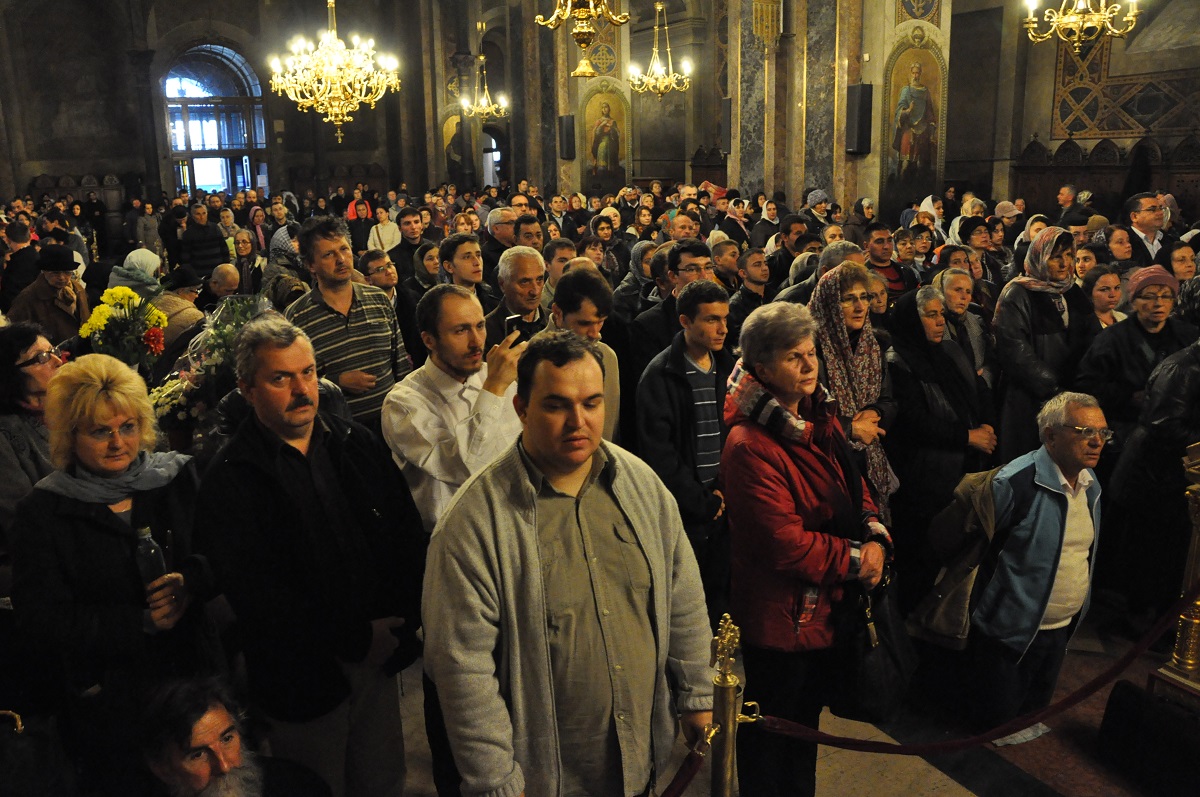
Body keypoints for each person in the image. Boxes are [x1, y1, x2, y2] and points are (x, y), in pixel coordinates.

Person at [422, 330, 714, 797]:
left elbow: (682, 596)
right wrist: (494, 778)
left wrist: (698, 693)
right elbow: (462, 668)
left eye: (593, 403)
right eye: (557, 405)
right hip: (544, 777)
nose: (579, 421)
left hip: (643, 761)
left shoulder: (641, 486)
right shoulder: (473, 523)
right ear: (520, 408)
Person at [195, 315, 425, 797]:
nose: (302, 389)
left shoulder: (353, 442)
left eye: (308, 373)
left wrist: (399, 622)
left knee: (382, 780)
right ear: (247, 388)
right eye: (280, 378)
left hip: (378, 655)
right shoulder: (231, 478)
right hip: (301, 675)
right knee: (318, 785)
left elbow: (402, 535)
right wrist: (353, 636)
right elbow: (258, 595)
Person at [11, 354, 220, 791]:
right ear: (69, 435)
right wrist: (135, 623)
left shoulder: (175, 479)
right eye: (100, 432)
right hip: (112, 705)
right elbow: (39, 619)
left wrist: (191, 581)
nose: (117, 443)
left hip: (195, 682)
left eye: (126, 427)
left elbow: (221, 557)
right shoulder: (45, 511)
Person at [721, 302, 892, 797]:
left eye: (811, 352)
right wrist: (860, 561)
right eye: (794, 356)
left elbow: (853, 485)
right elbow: (785, 545)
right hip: (783, 621)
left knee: (804, 738)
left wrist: (876, 531)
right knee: (774, 737)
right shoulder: (749, 444)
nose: (809, 364)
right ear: (762, 367)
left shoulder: (820, 414)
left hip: (822, 611)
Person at [930, 392, 1104, 738]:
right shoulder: (1014, 482)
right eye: (1084, 430)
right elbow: (958, 541)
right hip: (1008, 630)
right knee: (991, 727)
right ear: (1051, 435)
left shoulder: (1090, 483)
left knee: (1029, 718)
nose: (1097, 441)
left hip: (1060, 627)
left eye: (1103, 432)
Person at [381, 284, 525, 535]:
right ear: (429, 340)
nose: (476, 342)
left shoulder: (496, 377)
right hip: (454, 538)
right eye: (461, 330)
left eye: (480, 326)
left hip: (513, 523)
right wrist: (494, 387)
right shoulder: (403, 403)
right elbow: (465, 467)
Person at [886, 287, 995, 611]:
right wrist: (967, 436)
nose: (938, 322)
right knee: (923, 552)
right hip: (924, 478)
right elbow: (913, 421)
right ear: (911, 319)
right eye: (929, 315)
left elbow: (978, 390)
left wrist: (986, 425)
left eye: (940, 315)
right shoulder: (898, 361)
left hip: (958, 468)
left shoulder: (948, 352)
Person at [637, 279, 734, 623]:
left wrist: (726, 491)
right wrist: (703, 502)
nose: (723, 328)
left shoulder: (728, 368)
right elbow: (660, 455)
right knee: (686, 608)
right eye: (711, 320)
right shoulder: (661, 375)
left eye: (725, 318)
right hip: (687, 511)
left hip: (725, 501)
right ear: (685, 321)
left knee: (721, 598)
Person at [284, 216, 411, 431]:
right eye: (329, 254)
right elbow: (293, 383)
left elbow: (399, 363)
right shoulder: (297, 316)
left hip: (393, 426)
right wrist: (335, 381)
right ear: (310, 265)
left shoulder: (378, 299)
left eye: (344, 249)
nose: (341, 259)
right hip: (337, 434)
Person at [1074, 265, 1197, 473]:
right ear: (1133, 301)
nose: (1158, 303)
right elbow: (1087, 385)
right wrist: (1128, 396)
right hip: (1129, 431)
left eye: (1166, 296)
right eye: (1148, 297)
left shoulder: (1188, 336)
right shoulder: (1111, 340)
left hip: (1180, 433)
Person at [992, 226, 1091, 460]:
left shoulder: (1073, 291)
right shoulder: (1017, 293)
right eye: (1056, 257)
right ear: (1040, 256)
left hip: (1071, 395)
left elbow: (1090, 338)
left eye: (1069, 256)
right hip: (1030, 398)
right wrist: (1054, 389)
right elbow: (1015, 350)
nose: (1064, 263)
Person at [808, 261, 897, 521]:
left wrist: (874, 413)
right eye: (848, 299)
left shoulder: (874, 344)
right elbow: (804, 412)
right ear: (829, 304)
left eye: (864, 297)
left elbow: (888, 399)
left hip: (869, 457)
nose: (860, 307)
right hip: (827, 464)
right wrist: (850, 428)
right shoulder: (810, 349)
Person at [141, 677, 332, 797]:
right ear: (163, 771)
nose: (224, 766)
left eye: (227, 739)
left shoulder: (300, 787)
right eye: (198, 754)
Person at [483, 246, 547, 349]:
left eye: (539, 279)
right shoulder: (484, 332)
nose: (535, 291)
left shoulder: (556, 322)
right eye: (525, 282)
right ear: (502, 284)